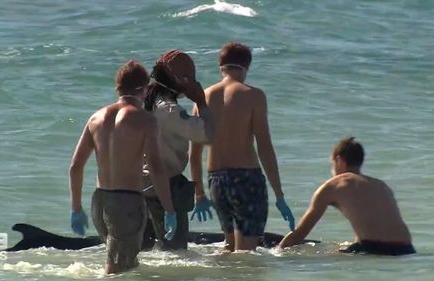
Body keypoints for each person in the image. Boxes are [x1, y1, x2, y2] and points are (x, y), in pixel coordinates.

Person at [68, 60, 177, 274]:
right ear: (144, 90)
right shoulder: (145, 120)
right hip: (126, 203)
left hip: (100, 202)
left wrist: (76, 209)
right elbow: (155, 168)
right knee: (116, 270)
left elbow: (75, 166)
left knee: (125, 264)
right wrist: (170, 210)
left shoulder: (96, 118)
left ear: (118, 88)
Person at [189, 42, 295, 252]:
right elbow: (264, 146)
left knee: (229, 247)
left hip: (217, 181)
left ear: (221, 66)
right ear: (246, 66)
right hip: (247, 180)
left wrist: (199, 193)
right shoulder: (253, 96)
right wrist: (279, 195)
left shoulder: (203, 98)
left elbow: (194, 153)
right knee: (247, 252)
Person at [279, 137, 415, 256]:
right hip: (406, 249)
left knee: (324, 257)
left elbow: (301, 232)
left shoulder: (334, 185)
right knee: (340, 248)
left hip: (374, 249)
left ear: (339, 160)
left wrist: (275, 252)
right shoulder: (381, 186)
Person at [142, 50, 215, 250]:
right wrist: (201, 102)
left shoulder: (143, 101)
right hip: (166, 190)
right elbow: (209, 134)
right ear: (181, 80)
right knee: (175, 252)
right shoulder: (171, 111)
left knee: (144, 253)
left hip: (137, 188)